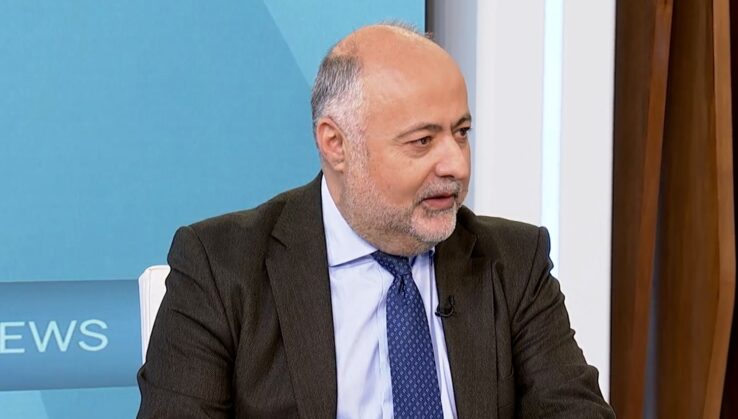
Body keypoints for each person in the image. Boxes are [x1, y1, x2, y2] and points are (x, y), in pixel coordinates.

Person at [137, 23, 614, 418]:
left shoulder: (513, 262)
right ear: (336, 145)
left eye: (461, 132)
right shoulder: (221, 268)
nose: (456, 165)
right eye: (422, 141)